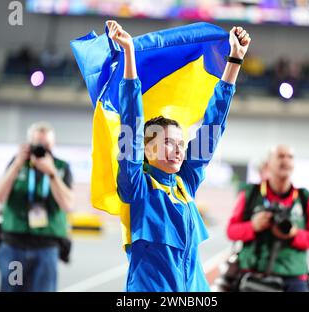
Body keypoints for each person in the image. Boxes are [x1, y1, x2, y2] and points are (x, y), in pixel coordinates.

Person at [106, 19, 251, 291]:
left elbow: (212, 127)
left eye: (180, 142)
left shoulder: (185, 183)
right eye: (168, 143)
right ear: (146, 149)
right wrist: (128, 53)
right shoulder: (137, 187)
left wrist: (234, 60)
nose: (178, 149)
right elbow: (131, 125)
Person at [226, 145, 309, 292]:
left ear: (293, 164)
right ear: (268, 164)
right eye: (280, 156)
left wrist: (294, 234)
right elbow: (231, 231)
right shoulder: (251, 193)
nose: (285, 160)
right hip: (254, 275)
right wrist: (253, 226)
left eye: (289, 157)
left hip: (294, 278)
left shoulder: (305, 198)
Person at [0, 121, 74, 292]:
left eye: (46, 145)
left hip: (46, 248)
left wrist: (51, 173)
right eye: (38, 144)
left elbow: (68, 205)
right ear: (29, 143)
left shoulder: (60, 167)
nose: (41, 149)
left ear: (53, 145)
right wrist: (16, 165)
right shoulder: (17, 164)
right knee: (13, 289)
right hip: (14, 246)